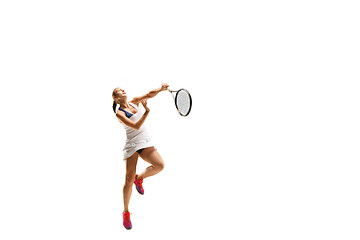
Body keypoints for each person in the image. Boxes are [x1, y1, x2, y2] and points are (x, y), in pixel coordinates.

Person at [112, 83, 169, 230]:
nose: (123, 90)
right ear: (115, 97)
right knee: (128, 180)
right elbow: (135, 126)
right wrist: (146, 112)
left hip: (144, 141)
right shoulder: (120, 113)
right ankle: (126, 212)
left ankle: (140, 178)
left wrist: (161, 89)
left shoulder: (134, 101)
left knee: (160, 166)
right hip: (132, 144)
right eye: (119, 91)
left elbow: (149, 94)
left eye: (123, 88)